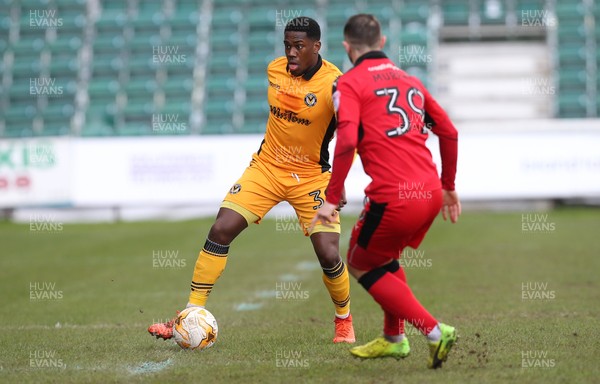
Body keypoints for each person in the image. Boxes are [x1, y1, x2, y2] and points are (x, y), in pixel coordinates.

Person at [148, 17, 355, 344]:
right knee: (220, 228)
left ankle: (343, 319)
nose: (291, 53)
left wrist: (339, 181)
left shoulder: (336, 85)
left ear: (317, 46)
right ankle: (189, 315)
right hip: (267, 168)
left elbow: (350, 133)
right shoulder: (274, 70)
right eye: (287, 45)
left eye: (299, 46)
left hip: (312, 178)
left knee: (328, 254)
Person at [310, 14, 460, 368]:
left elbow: (346, 140)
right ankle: (394, 338)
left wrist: (331, 198)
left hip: (393, 196)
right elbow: (449, 131)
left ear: (347, 48)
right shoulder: (411, 81)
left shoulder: (348, 83)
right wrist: (449, 187)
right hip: (429, 191)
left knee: (360, 262)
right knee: (385, 258)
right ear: (384, 41)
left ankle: (435, 331)